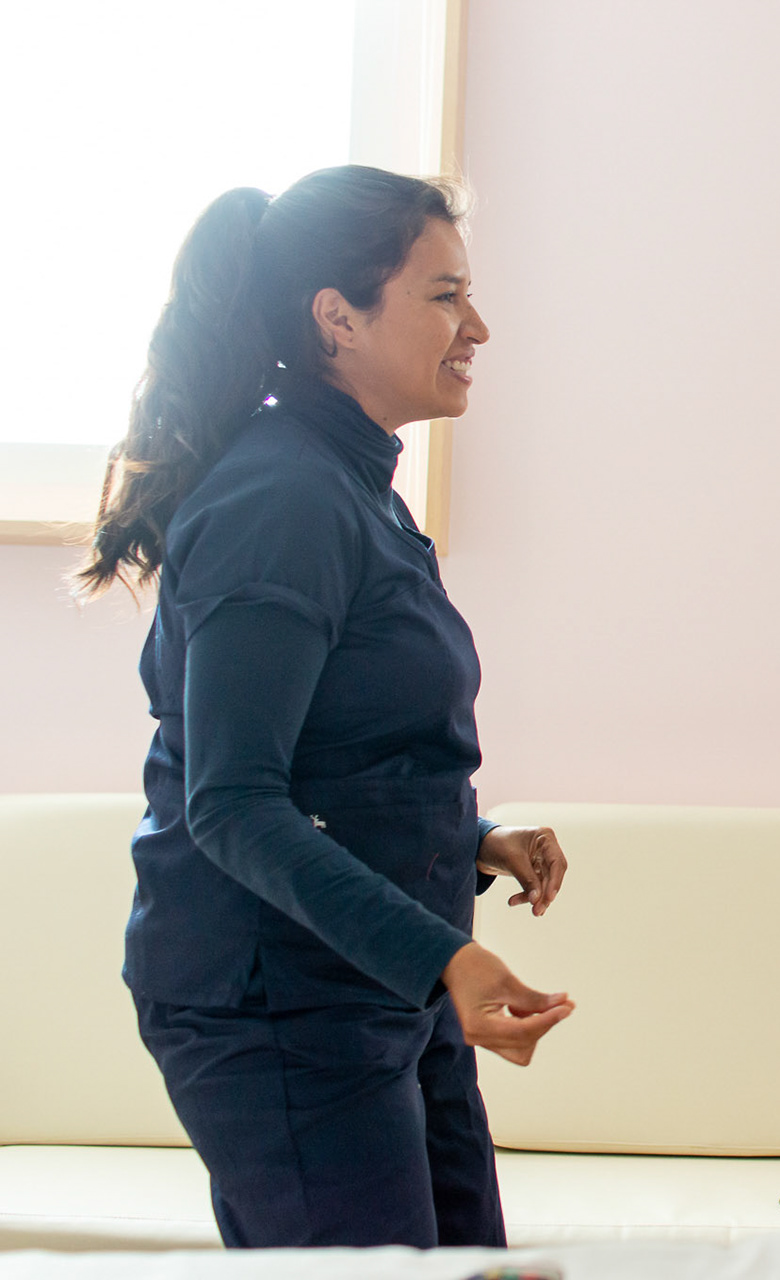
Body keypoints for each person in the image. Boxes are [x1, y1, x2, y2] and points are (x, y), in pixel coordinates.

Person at [74, 165, 575, 1248]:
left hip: (379, 980)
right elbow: (232, 803)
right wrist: (445, 958)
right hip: (280, 1007)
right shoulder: (281, 499)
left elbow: (339, 757)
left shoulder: (352, 488)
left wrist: (471, 840)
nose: (477, 327)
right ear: (336, 317)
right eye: (445, 296)